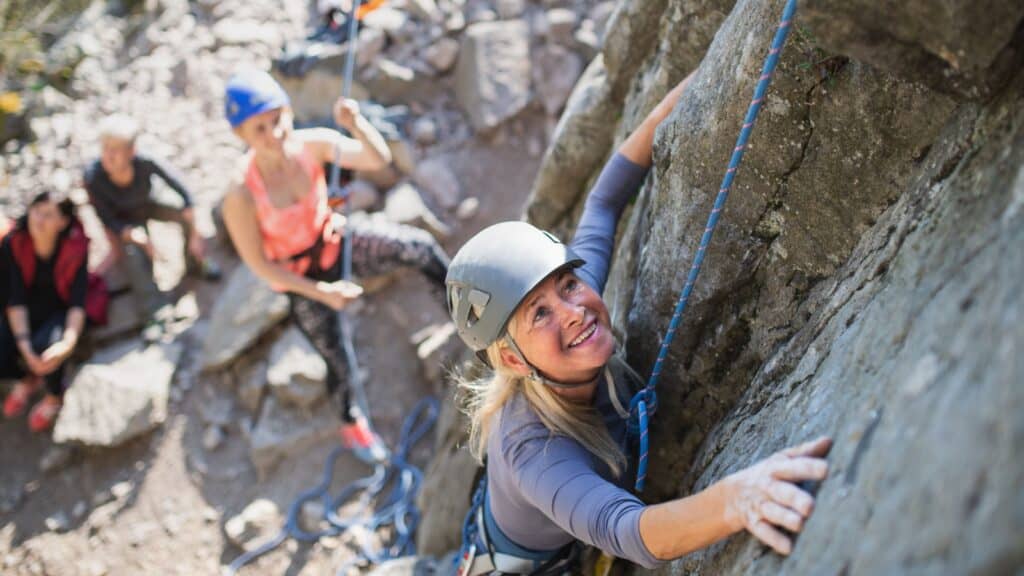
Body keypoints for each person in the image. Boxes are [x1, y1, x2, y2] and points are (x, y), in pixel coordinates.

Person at [445, 74, 833, 573]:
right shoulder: (536, 452)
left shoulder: (574, 310)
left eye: (566, 284)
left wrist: (672, 107)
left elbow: (604, 203)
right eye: (538, 313)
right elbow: (627, 531)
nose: (573, 310)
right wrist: (736, 498)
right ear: (512, 359)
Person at [220, 69, 450, 463]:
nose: (274, 133)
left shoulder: (311, 145)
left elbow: (376, 158)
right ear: (242, 136)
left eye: (278, 119)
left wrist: (356, 123)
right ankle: (352, 427)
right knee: (336, 354)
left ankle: (460, 309)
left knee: (420, 248)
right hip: (299, 276)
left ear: (288, 111)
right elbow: (259, 265)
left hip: (334, 239)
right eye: (260, 129)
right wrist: (320, 292)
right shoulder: (240, 195)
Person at [84, 113, 220, 341]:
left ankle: (195, 263)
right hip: (126, 222)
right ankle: (154, 312)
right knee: (133, 255)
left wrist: (195, 232)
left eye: (116, 149)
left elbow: (183, 191)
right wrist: (130, 235)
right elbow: (105, 218)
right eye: (105, 148)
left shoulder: (145, 163)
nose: (109, 156)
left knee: (180, 212)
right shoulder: (94, 177)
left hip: (149, 203)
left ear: (131, 151)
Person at [1, 192, 94, 432]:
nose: (38, 220)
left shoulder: (76, 249)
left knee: (49, 352)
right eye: (36, 211)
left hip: (60, 312)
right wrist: (23, 345)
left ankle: (54, 396)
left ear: (63, 222)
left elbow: (77, 301)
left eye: (48, 214)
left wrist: (68, 342)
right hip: (23, 310)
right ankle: (26, 379)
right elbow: (15, 297)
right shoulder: (15, 243)